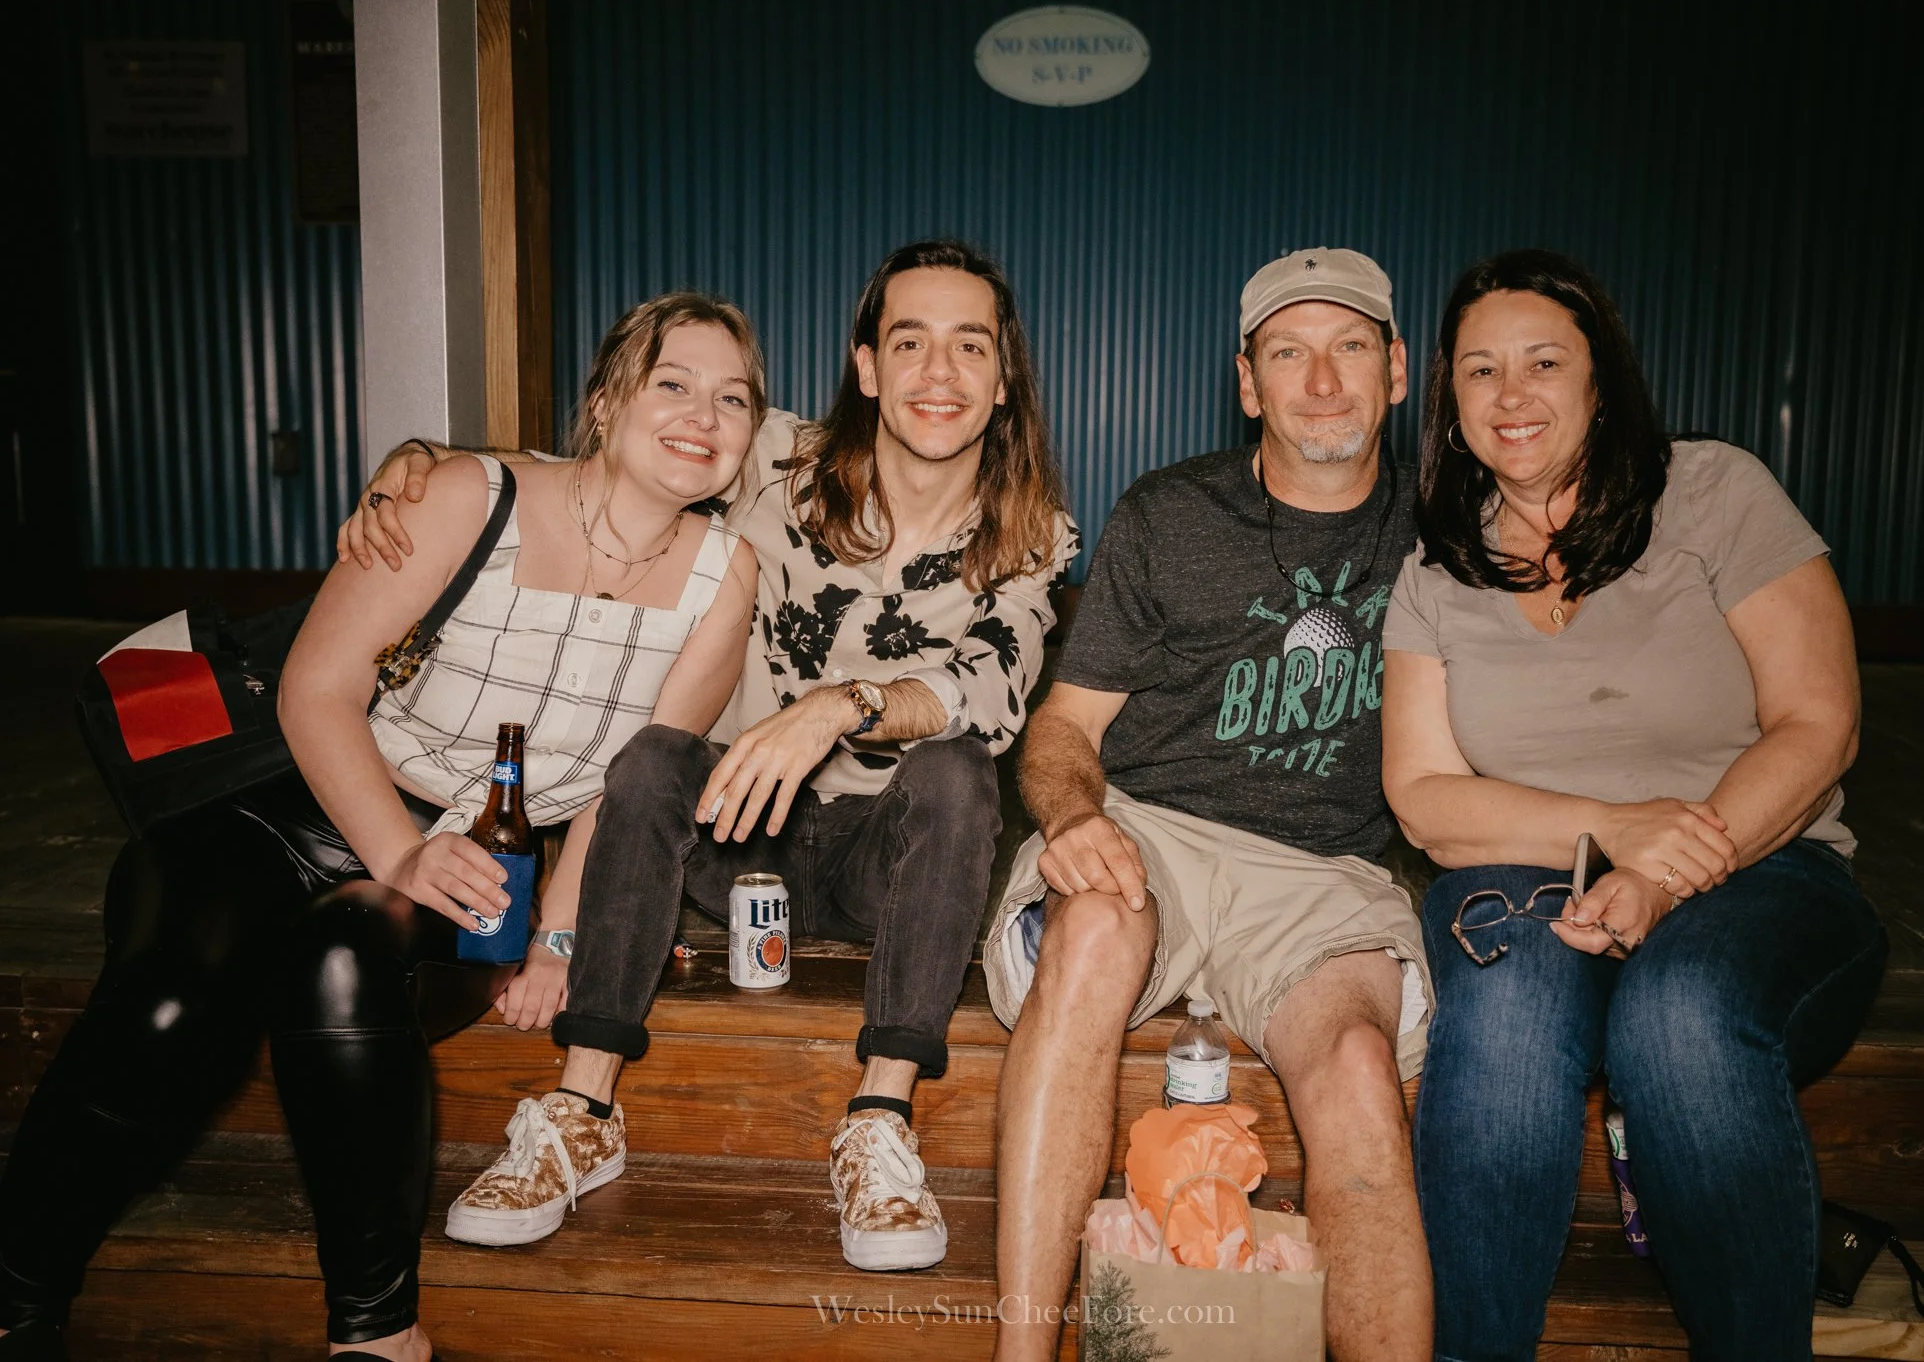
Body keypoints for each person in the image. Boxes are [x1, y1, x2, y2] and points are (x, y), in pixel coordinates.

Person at [0, 291, 762, 1362]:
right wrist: (399, 850)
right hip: (284, 811)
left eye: (732, 397)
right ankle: (19, 1301)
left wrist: (556, 932)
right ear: (604, 403)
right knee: (170, 1001)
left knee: (345, 963)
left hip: (476, 864)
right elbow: (315, 688)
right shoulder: (462, 496)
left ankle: (376, 1332)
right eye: (671, 382)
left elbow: (633, 787)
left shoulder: (724, 581)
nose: (702, 413)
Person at [339, 239, 1078, 1272]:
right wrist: (421, 459)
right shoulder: (779, 458)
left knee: (957, 772)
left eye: (969, 346)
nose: (938, 373)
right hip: (733, 838)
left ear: (1002, 381)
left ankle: (878, 1118)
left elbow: (991, 697)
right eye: (909, 341)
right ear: (866, 366)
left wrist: (838, 704)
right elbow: (623, 446)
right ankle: (582, 1104)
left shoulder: (1031, 533)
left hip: (891, 861)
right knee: (650, 753)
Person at [1380, 249, 1886, 1362]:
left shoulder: (1711, 490)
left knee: (1680, 1016)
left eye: (1542, 362)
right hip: (1529, 874)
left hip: (1762, 866)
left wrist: (1662, 871)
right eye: (1478, 371)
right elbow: (1422, 799)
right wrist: (1610, 832)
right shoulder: (1435, 571)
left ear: (1600, 378)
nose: (1510, 396)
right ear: (1449, 404)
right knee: (1504, 1019)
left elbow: (1818, 723)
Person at [982, 248, 1435, 1361]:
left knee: (1359, 1072)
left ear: (1397, 371)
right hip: (1151, 829)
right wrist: (1074, 818)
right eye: (1288, 352)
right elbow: (1062, 728)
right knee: (1087, 934)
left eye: (1349, 347)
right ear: (1246, 382)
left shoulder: (1453, 532)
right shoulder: (1169, 513)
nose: (1320, 381)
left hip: (1322, 872)